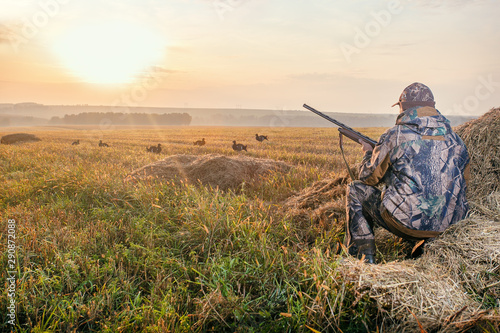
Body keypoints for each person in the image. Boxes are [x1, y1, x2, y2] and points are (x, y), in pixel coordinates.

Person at [345, 82, 470, 264]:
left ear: (403, 107)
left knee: (355, 190)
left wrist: (368, 153)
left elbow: (368, 177)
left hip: (408, 224)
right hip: (450, 226)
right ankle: (427, 246)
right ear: (432, 108)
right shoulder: (456, 139)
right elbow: (465, 184)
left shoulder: (395, 135)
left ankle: (363, 261)